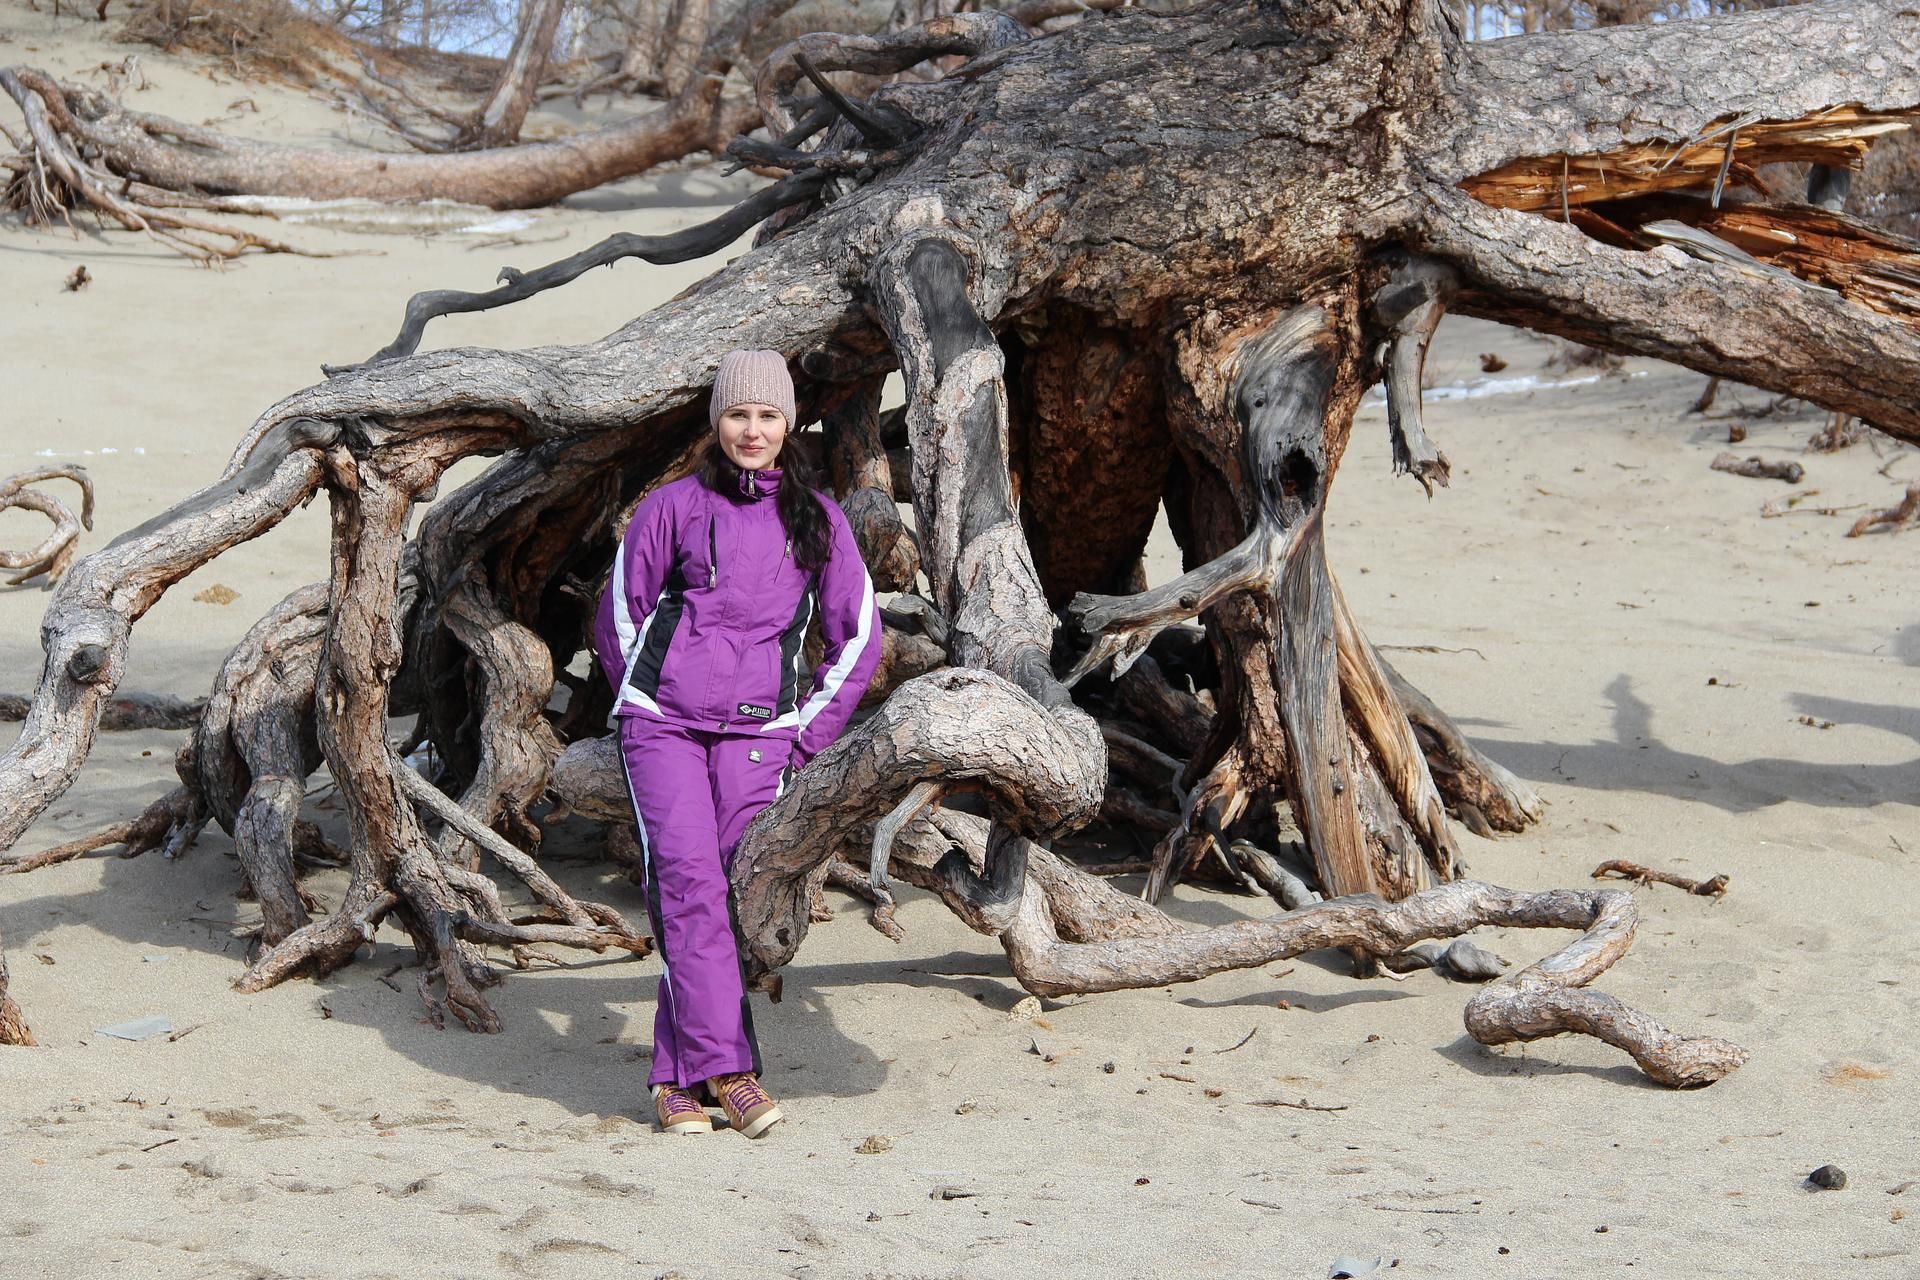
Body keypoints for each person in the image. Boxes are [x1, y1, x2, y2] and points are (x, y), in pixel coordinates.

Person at [593, 349, 881, 1138]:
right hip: (666, 729)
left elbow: (857, 638)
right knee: (684, 882)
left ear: (789, 424)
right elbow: (621, 612)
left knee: (732, 896)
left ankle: (673, 1076)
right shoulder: (672, 508)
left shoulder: (817, 519)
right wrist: (642, 697)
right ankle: (731, 1072)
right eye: (737, 414)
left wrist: (806, 733)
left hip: (762, 736)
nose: (751, 430)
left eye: (766, 416)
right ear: (716, 421)